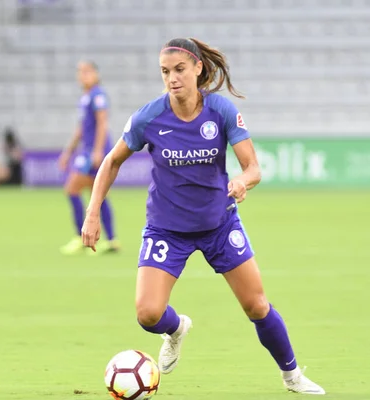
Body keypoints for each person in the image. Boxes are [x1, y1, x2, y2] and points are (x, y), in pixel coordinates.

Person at [81, 38, 325, 395]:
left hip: (219, 225)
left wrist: (242, 181)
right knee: (148, 314)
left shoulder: (221, 112)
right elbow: (112, 161)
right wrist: (92, 212)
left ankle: (292, 376)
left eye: (179, 70)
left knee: (257, 305)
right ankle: (176, 328)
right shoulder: (149, 116)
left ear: (197, 69)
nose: (172, 78)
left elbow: (253, 167)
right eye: (165, 72)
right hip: (167, 229)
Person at [58, 61, 118, 255]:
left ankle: (80, 237)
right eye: (80, 72)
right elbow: (81, 129)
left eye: (87, 72)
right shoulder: (86, 97)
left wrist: (98, 151)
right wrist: (68, 152)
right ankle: (111, 240)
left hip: (93, 152)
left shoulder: (98, 95)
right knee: (98, 194)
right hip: (87, 151)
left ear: (96, 74)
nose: (82, 75)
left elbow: (102, 123)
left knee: (72, 189)